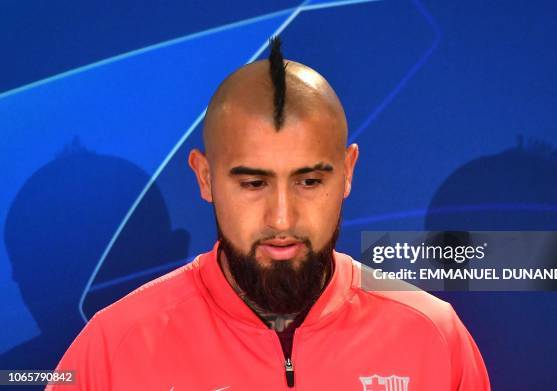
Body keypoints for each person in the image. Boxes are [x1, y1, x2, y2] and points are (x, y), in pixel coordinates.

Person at [48, 37, 490, 391]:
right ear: (204, 177)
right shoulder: (113, 349)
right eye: (253, 184)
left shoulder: (434, 337)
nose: (282, 219)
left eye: (310, 182)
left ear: (348, 172)